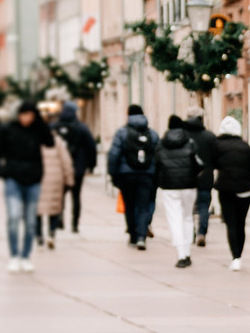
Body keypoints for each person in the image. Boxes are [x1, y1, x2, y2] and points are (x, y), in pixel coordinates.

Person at [0, 100, 54, 272]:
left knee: (31, 221)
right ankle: (14, 256)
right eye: (23, 114)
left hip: (33, 180)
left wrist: (41, 123)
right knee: (14, 216)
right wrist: (2, 171)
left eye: (30, 115)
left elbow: (50, 142)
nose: (26, 119)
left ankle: (25, 256)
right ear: (18, 114)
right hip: (13, 179)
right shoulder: (7, 129)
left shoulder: (38, 129)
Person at [204, 115, 250, 270]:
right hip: (244, 189)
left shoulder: (217, 145)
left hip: (225, 188)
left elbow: (211, 163)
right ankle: (239, 255)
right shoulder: (245, 147)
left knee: (231, 223)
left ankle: (234, 256)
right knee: (240, 223)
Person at [106, 103, 160, 250]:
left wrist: (113, 174)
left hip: (126, 175)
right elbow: (158, 156)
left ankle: (133, 236)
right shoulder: (153, 134)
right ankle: (142, 236)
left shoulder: (121, 133)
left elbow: (113, 155)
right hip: (146, 175)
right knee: (143, 206)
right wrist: (156, 175)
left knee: (129, 206)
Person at [157, 114, 210, 264]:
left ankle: (181, 253)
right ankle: (186, 251)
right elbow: (199, 164)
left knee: (174, 218)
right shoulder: (190, 142)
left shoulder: (162, 143)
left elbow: (157, 163)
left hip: (169, 186)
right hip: (189, 185)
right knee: (187, 217)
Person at [57, 102, 98, 235]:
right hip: (78, 168)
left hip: (60, 167)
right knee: (76, 196)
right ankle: (75, 224)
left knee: (59, 195)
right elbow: (92, 147)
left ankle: (59, 220)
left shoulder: (55, 126)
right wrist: (92, 165)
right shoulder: (81, 127)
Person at [38, 109, 73, 249]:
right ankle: (51, 233)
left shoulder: (35, 140)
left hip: (39, 178)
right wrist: (69, 179)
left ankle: (39, 236)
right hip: (56, 179)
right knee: (54, 208)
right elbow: (66, 161)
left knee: (38, 210)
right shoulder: (57, 141)